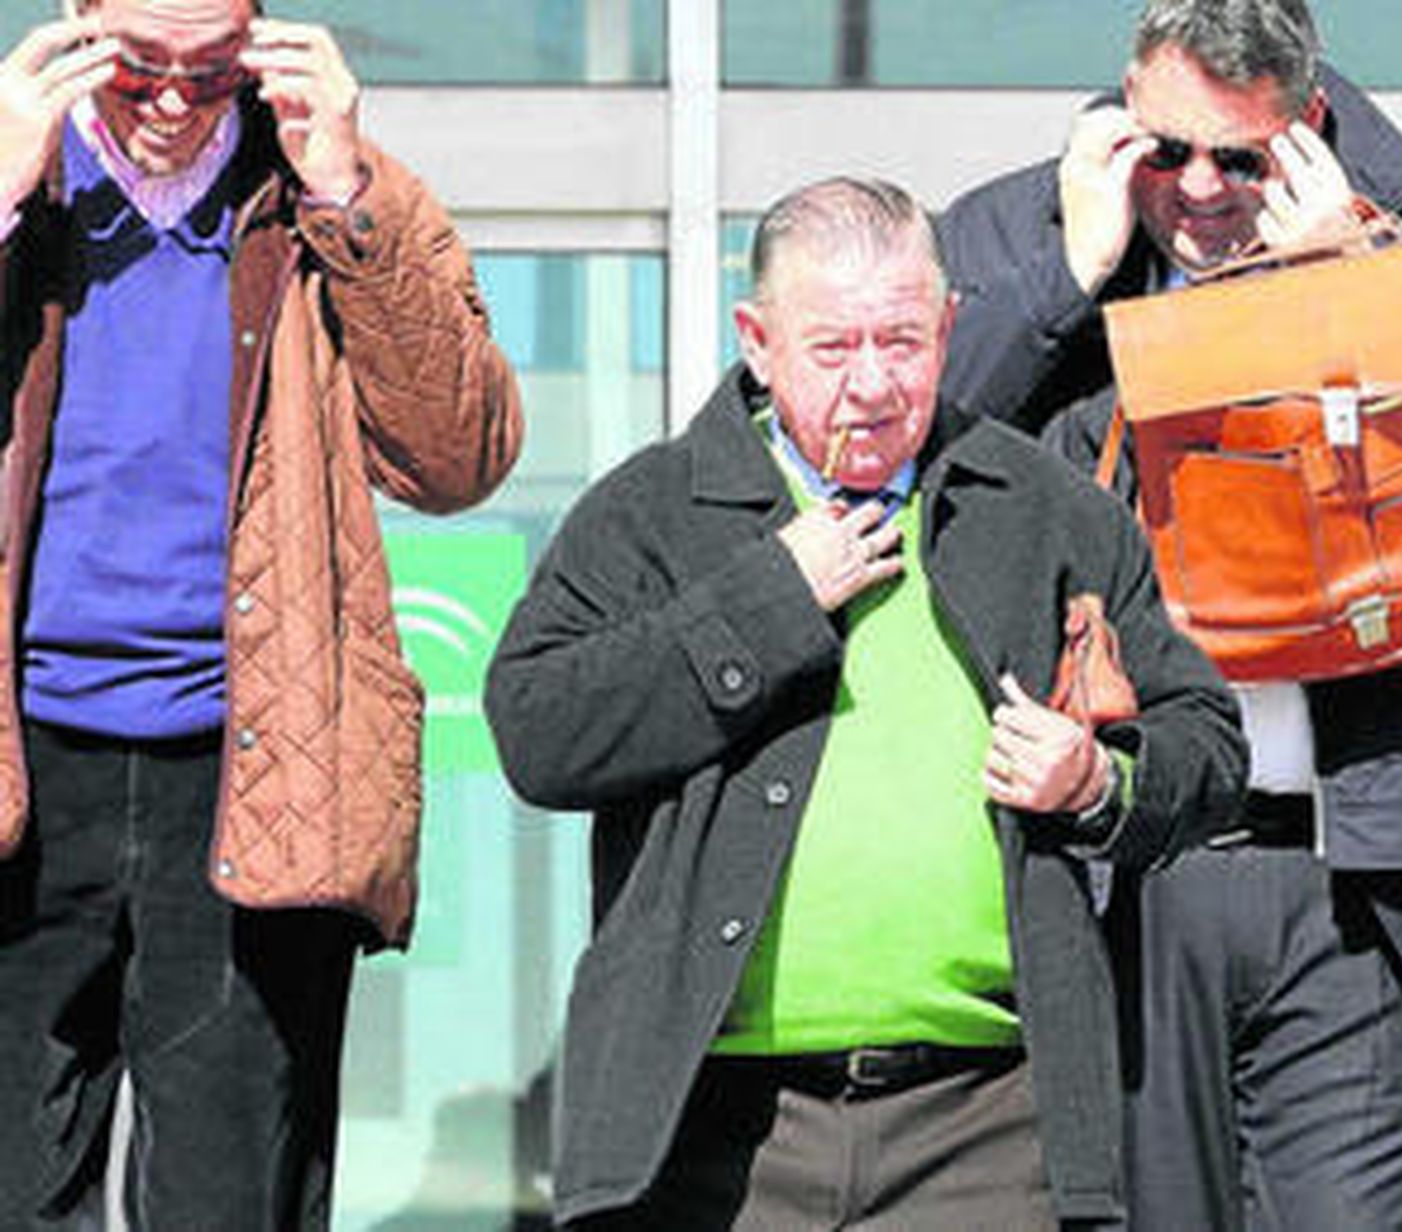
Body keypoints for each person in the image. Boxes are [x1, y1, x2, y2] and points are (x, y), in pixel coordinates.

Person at [935, 1, 1402, 1229]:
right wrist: (1061, 285)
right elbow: (907, 465)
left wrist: (1369, 286)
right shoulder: (1020, 230)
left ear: (1307, 120)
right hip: (1116, 861)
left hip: (1365, 868)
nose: (1195, 188)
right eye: (1163, 148)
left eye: (1236, 158)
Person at [485, 177, 1246, 1230]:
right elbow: (537, 728)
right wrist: (770, 600)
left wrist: (1095, 782)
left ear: (947, 327)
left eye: (902, 342)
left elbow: (1208, 745)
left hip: (989, 1122)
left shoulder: (1046, 511)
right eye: (834, 348)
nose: (874, 384)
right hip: (712, 1124)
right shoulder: (653, 511)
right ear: (757, 342)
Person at [0, 0, 523, 1227]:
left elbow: (459, 455)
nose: (174, 102)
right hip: (22, 772)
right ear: (75, 23)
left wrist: (344, 191)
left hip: (257, 768)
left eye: (209, 70)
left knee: (236, 1197)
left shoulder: (322, 192)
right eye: (138, 68)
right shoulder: (22, 173)